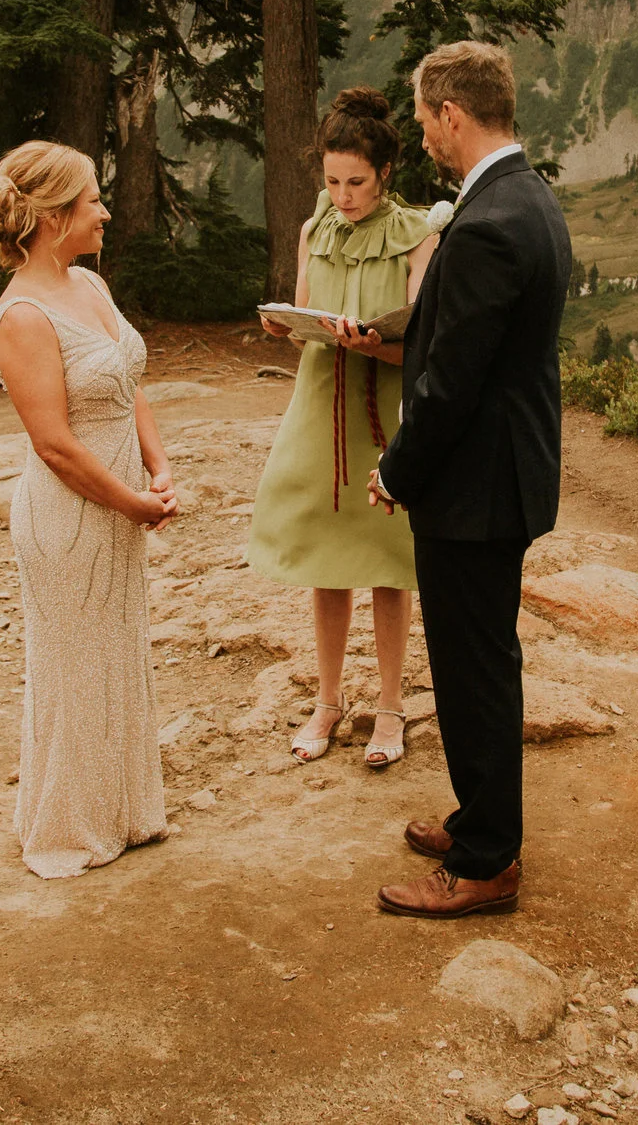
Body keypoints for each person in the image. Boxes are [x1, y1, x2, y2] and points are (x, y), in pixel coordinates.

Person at [365, 41, 571, 919]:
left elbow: (454, 377)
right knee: (475, 658)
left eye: (424, 123)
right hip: (499, 473)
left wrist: (397, 468)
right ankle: (478, 816)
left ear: (453, 113)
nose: (423, 139)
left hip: (475, 485)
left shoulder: (487, 220)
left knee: (474, 667)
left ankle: (487, 860)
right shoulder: (527, 197)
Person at [0, 141, 178, 878]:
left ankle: (124, 812)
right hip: (71, 514)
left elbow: (129, 379)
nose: (104, 209)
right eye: (92, 198)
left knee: (116, 653)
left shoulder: (89, 284)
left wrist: (158, 467)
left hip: (123, 498)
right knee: (73, 665)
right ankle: (67, 823)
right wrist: (132, 502)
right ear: (55, 215)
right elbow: (55, 444)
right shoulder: (22, 316)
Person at [248, 88, 443, 769]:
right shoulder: (313, 229)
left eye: (356, 181)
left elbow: (422, 340)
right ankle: (328, 699)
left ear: (385, 172)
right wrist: (286, 325)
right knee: (327, 564)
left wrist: (374, 344)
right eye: (332, 181)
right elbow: (308, 321)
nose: (343, 195)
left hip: (385, 413)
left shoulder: (420, 233)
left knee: (389, 562)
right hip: (318, 407)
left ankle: (390, 704)